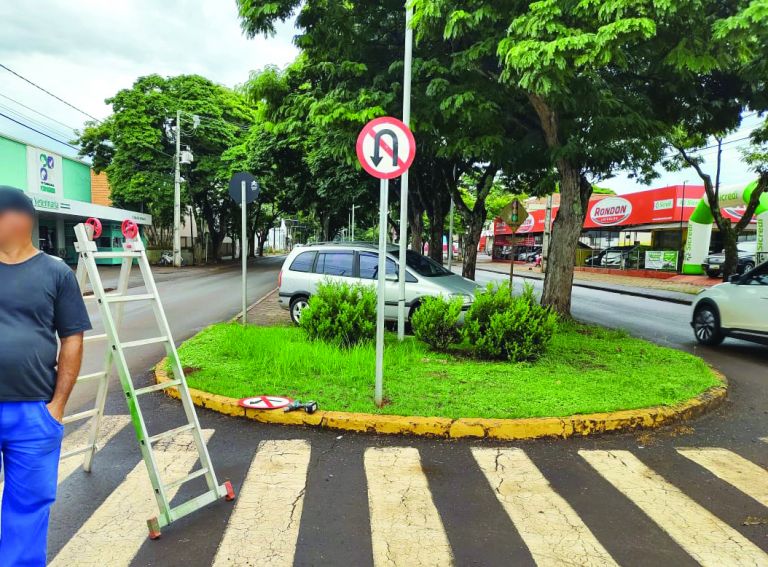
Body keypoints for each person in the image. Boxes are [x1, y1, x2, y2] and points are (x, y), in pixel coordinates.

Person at [0, 186, 91, 566]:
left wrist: (57, 406)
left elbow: (72, 337)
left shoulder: (55, 272)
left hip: (34, 412)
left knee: (28, 507)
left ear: (18, 219)